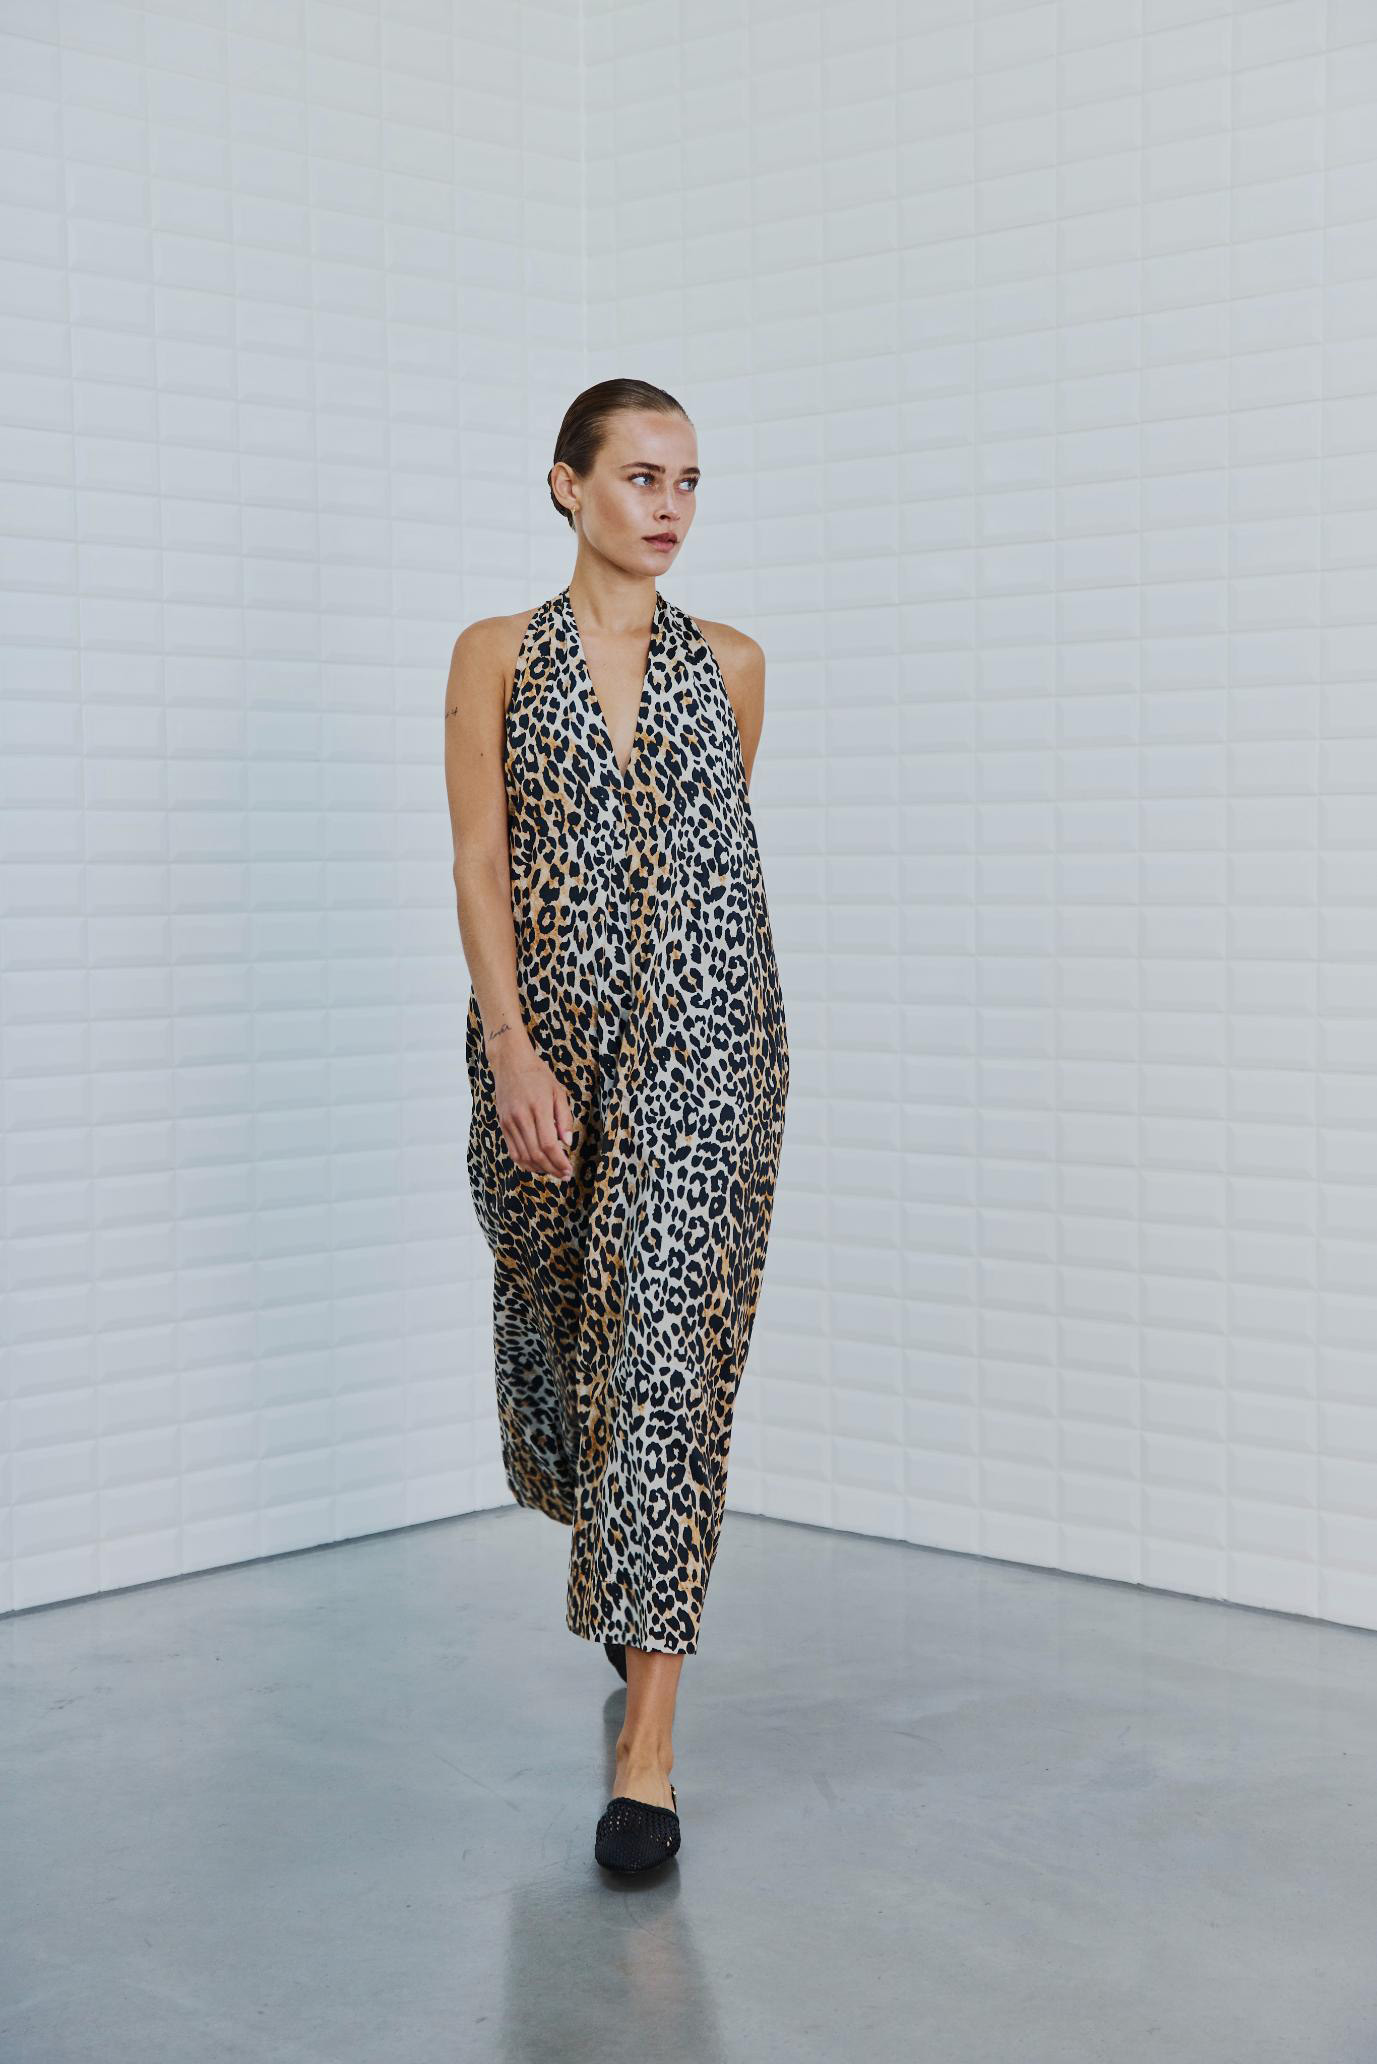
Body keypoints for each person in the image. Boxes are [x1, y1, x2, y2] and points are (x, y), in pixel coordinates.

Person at [444, 377, 789, 1871]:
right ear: (565, 485)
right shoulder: (493, 657)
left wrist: (685, 1043)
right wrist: (514, 1050)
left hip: (707, 1052)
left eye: (690, 481)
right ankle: (619, 1545)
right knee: (565, 1358)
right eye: (642, 476)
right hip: (545, 1055)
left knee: (662, 1368)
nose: (670, 507)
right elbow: (481, 860)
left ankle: (648, 1754)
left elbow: (701, 874)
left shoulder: (735, 665)